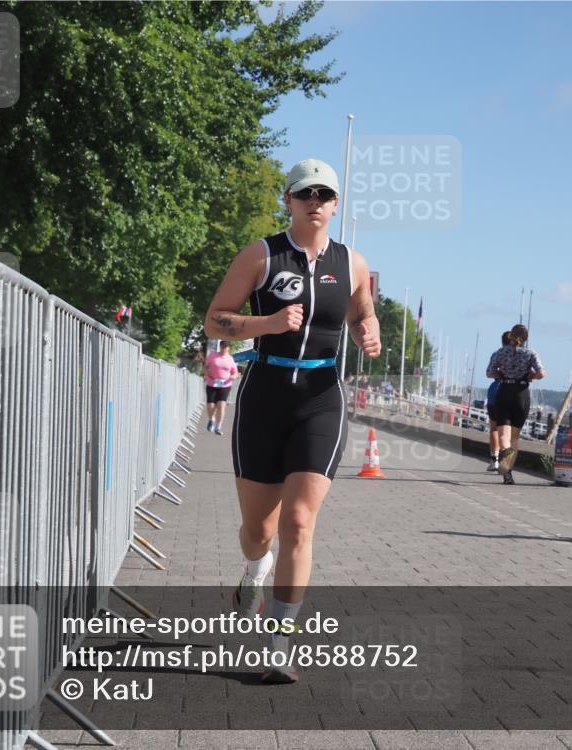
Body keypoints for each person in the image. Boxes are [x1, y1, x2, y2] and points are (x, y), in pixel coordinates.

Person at [203, 158, 381, 684]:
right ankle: (253, 571)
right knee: (258, 531)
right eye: (306, 193)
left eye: (325, 194)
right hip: (264, 395)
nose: (316, 202)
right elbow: (215, 319)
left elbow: (362, 309)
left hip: (322, 397)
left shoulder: (352, 262)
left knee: (298, 522)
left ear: (335, 203)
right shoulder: (261, 254)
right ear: (289, 199)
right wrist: (269, 322)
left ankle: (276, 644)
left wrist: (367, 330)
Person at [485, 324, 547, 485]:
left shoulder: (500, 352)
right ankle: (508, 472)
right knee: (515, 437)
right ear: (526, 338)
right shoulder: (530, 354)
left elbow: (489, 372)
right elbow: (541, 373)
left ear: (511, 336)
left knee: (503, 435)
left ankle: (505, 456)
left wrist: (500, 374)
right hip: (521, 394)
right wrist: (531, 375)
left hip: (504, 391)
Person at [485, 331, 510, 472]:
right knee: (509, 431)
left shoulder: (496, 354)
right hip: (513, 392)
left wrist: (499, 375)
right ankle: (506, 463)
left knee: (494, 428)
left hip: (495, 392)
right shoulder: (522, 355)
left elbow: (489, 372)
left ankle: (494, 461)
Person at [203, 341, 239, 435]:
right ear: (220, 347)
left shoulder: (230, 359)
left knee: (221, 405)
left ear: (228, 348)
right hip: (212, 383)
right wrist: (207, 374)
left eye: (226, 347)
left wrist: (232, 377)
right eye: (222, 347)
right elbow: (206, 367)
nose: (224, 349)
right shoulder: (213, 356)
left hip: (225, 384)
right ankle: (212, 419)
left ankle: (218, 427)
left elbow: (235, 373)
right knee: (211, 405)